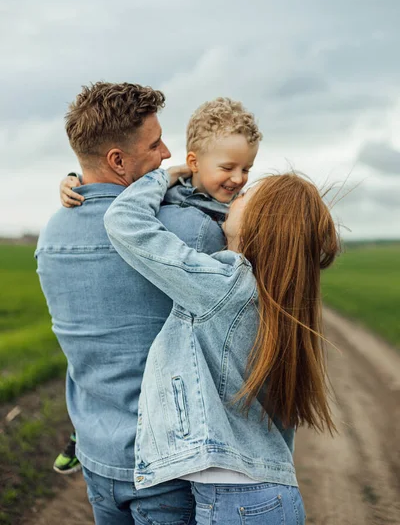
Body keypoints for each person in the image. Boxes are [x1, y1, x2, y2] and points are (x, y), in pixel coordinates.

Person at [36, 87, 261, 523]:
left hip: (97, 456)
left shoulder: (51, 235)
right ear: (118, 160)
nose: (167, 153)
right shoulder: (188, 229)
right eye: (155, 144)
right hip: (167, 462)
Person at [104, 167, 339, 524]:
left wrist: (166, 176)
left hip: (239, 503)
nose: (237, 192)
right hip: (272, 494)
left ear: (261, 223)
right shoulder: (277, 302)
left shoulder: (224, 286)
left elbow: (124, 221)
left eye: (247, 196)